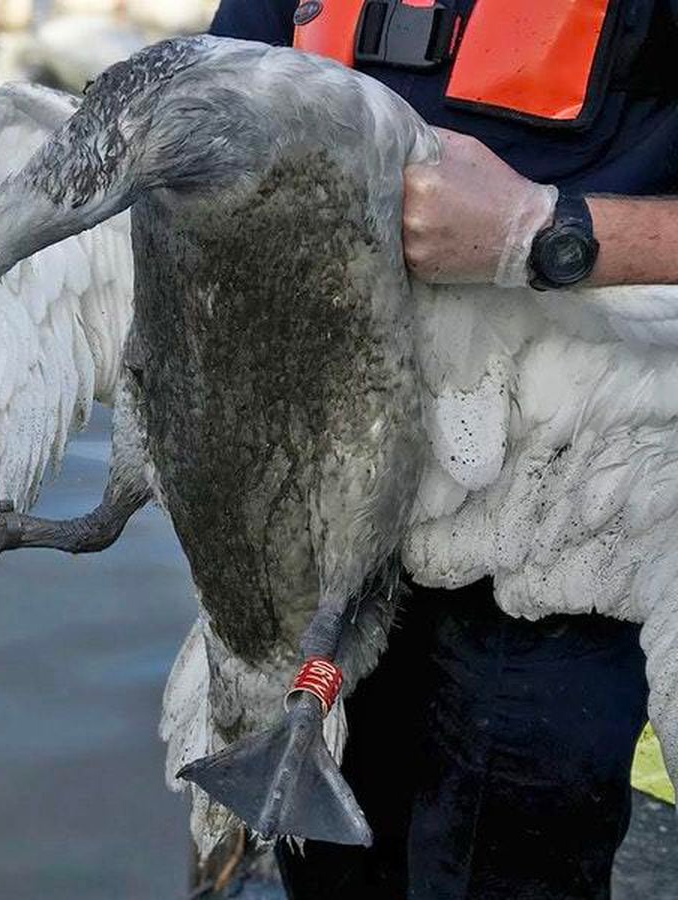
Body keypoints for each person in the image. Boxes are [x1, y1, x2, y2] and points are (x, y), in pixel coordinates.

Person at [205, 0, 678, 897]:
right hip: (324, 507)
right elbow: (216, 100)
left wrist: (547, 231)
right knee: (329, 858)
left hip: (558, 526)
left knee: (503, 863)